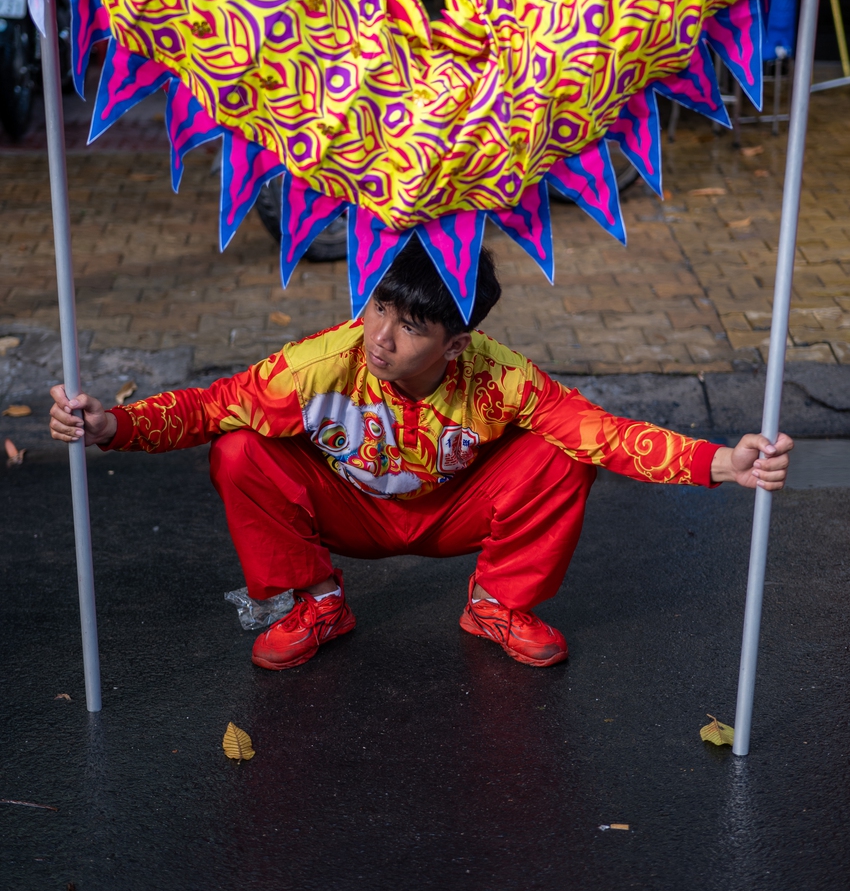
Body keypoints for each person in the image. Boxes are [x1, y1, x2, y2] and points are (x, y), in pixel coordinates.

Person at [49, 239, 793, 672]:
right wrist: (112, 423)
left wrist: (724, 463)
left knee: (566, 452)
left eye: (408, 326)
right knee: (240, 448)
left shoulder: (498, 376)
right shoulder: (319, 364)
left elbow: (601, 431)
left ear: (457, 343)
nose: (380, 337)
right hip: (353, 512)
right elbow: (207, 407)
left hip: (451, 516)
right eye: (377, 307)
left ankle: (497, 604)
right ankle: (316, 602)